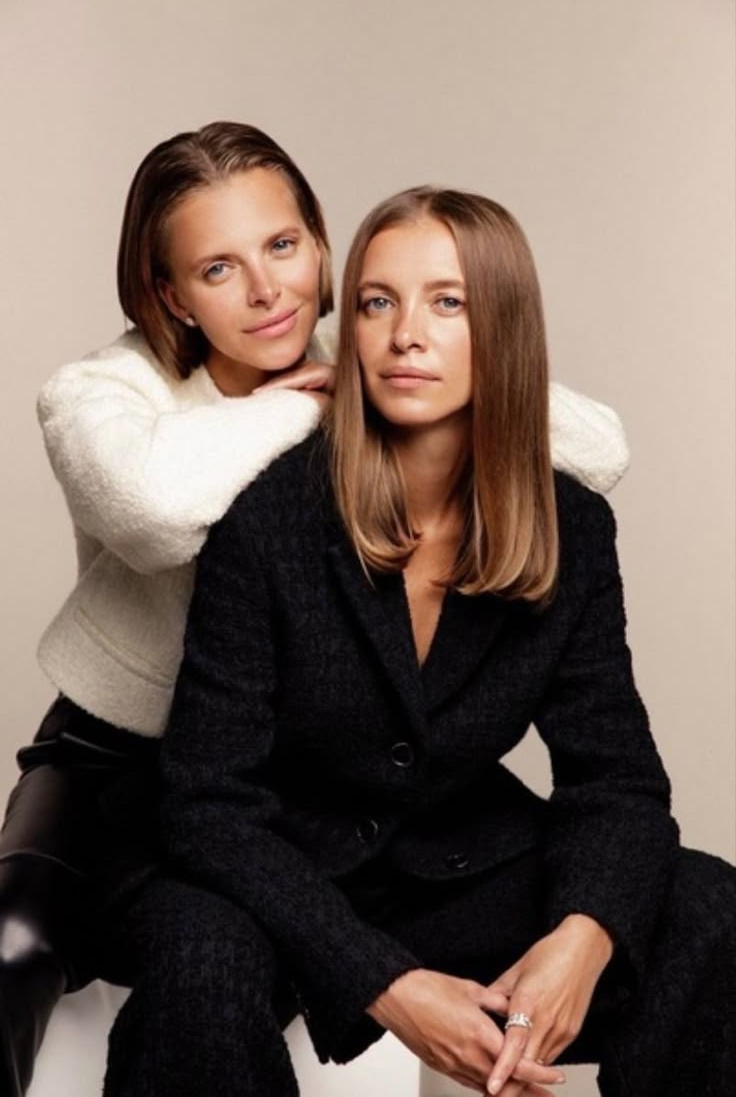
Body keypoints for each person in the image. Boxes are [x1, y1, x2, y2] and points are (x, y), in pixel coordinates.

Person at [0, 121, 629, 1097]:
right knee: (15, 944)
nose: (267, 291)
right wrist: (315, 408)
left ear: (323, 246)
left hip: (302, 777)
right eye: (218, 267)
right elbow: (156, 510)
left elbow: (596, 445)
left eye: (284, 247)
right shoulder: (100, 393)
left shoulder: (380, 354)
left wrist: (411, 382)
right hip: (122, 764)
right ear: (170, 292)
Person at [102, 186, 735, 1097]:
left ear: (504, 328)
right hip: (274, 866)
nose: (407, 334)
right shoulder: (267, 515)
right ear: (351, 326)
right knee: (197, 964)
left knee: (707, 905)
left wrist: (582, 934)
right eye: (377, 301)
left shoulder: (574, 527)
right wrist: (385, 984)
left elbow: (618, 778)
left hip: (455, 860)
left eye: (449, 302)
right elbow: (208, 802)